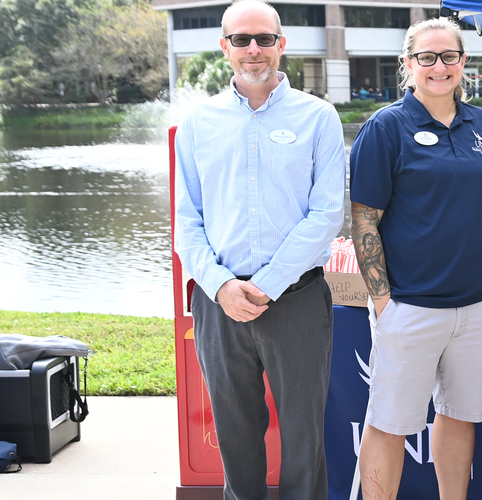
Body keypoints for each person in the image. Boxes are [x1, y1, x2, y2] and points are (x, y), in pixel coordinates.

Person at [172, 1, 344, 498]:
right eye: (242, 39)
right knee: (235, 435)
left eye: (264, 39)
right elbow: (187, 219)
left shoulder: (318, 117)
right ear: (225, 46)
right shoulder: (198, 122)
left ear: (281, 45)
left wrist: (265, 285)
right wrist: (223, 286)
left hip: (297, 300)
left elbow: (326, 213)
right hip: (218, 302)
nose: (253, 49)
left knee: (304, 437)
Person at [348, 17, 482, 500]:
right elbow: (363, 220)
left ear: (463, 63)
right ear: (408, 64)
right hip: (411, 306)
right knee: (389, 424)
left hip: (481, 303)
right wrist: (383, 303)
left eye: (449, 57)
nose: (439, 67)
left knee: (459, 416)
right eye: (427, 57)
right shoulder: (386, 127)